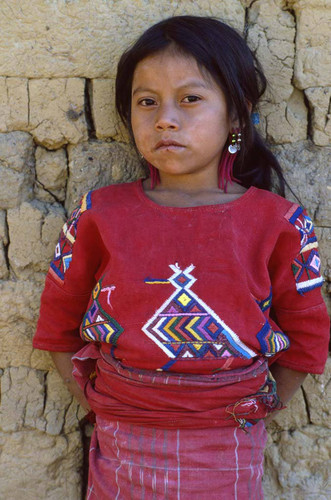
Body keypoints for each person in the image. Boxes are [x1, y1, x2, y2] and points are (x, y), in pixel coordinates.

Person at [33, 16, 329, 499]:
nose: (165, 118)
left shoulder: (280, 224)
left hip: (227, 442)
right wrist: (94, 399)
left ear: (237, 115)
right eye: (146, 102)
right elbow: (57, 320)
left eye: (190, 99)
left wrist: (261, 405)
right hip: (122, 437)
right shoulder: (99, 215)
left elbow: (308, 337)